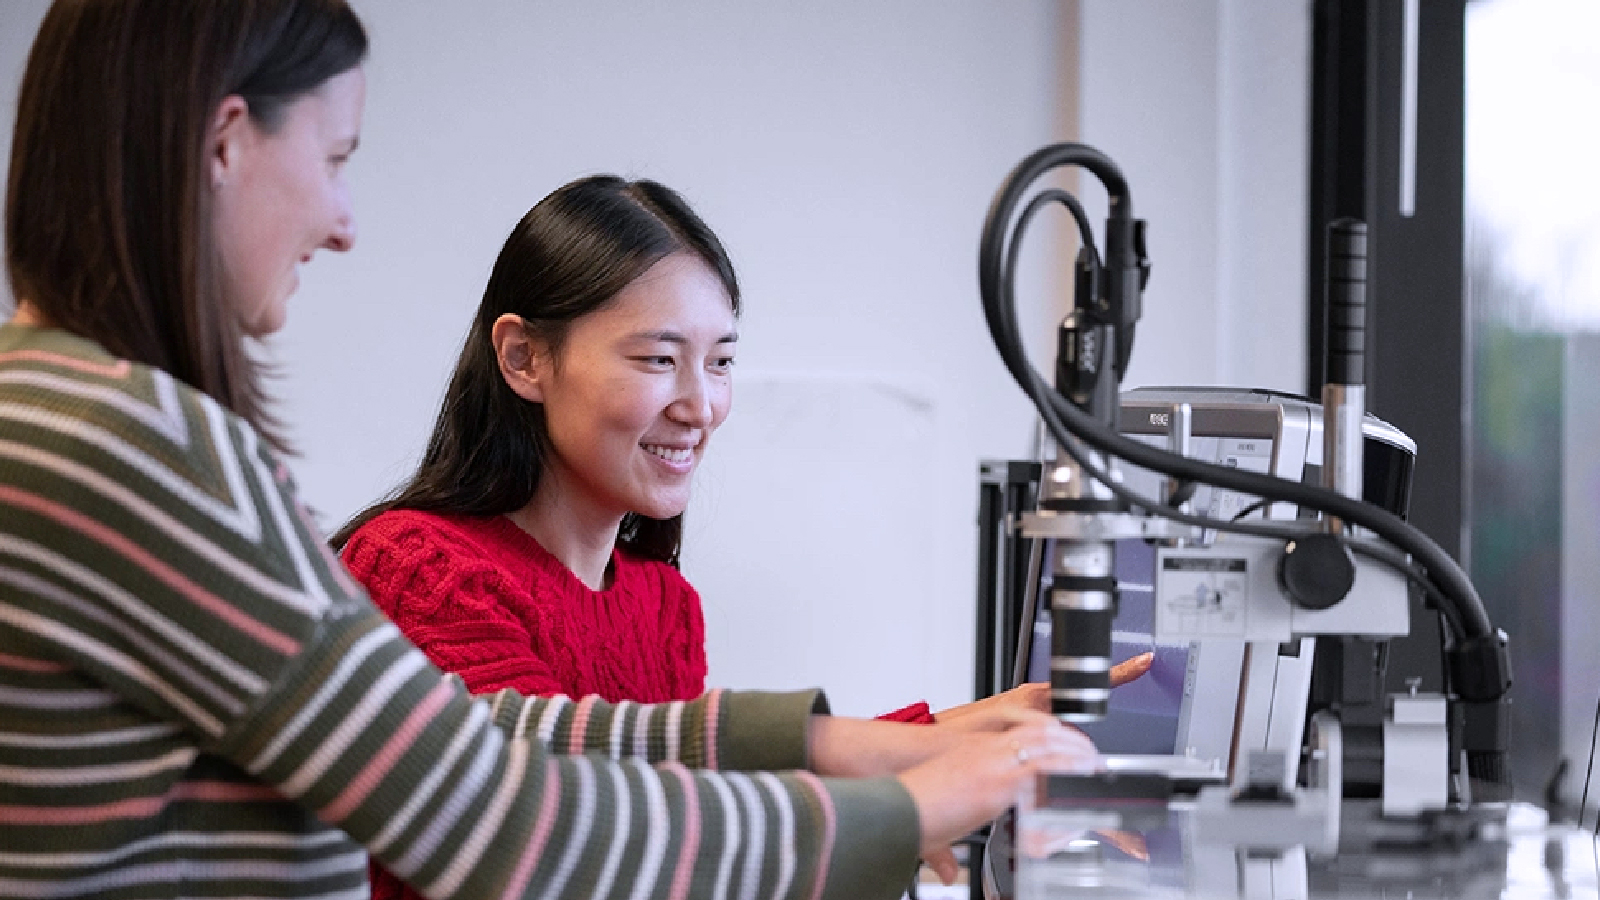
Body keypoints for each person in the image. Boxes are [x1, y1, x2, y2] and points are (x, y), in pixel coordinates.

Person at [0, 3, 1097, 900]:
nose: (342, 221)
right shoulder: (134, 448)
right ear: (226, 143)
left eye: (718, 360)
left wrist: (850, 747)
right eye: (334, 157)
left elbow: (492, 736)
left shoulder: (64, 415)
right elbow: (485, 810)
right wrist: (893, 808)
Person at [331, 176, 1148, 899]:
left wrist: (956, 737)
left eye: (720, 362)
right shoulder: (419, 568)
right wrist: (907, 781)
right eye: (658, 359)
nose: (701, 404)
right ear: (523, 357)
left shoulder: (661, 604)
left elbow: (694, 799)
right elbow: (565, 829)